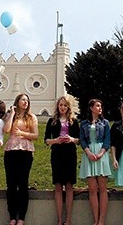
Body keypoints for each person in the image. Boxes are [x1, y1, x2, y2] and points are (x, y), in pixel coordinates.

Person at [3, 94, 39, 225]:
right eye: (23, 99)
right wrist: (12, 114)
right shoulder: (11, 116)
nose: (25, 102)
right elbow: (6, 129)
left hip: (25, 151)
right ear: (17, 102)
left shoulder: (32, 117)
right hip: (11, 151)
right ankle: (12, 216)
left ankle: (21, 218)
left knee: (23, 184)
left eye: (27, 100)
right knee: (11, 185)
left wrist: (22, 133)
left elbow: (35, 135)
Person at [44, 96, 80, 225]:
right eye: (61, 105)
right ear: (57, 107)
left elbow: (79, 139)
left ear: (68, 107)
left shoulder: (73, 121)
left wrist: (71, 139)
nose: (63, 108)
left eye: (65, 105)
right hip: (57, 154)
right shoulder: (52, 121)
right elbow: (46, 140)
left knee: (69, 185)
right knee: (58, 186)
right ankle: (59, 219)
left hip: (70, 154)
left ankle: (68, 219)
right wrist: (56, 141)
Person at [79, 98, 112, 225]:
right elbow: (82, 140)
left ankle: (102, 220)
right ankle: (95, 219)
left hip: (101, 153)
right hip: (89, 153)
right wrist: (88, 152)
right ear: (91, 108)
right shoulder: (83, 124)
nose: (100, 108)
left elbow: (107, 140)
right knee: (92, 189)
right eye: (97, 106)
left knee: (103, 188)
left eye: (101, 106)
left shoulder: (105, 123)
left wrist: (101, 153)